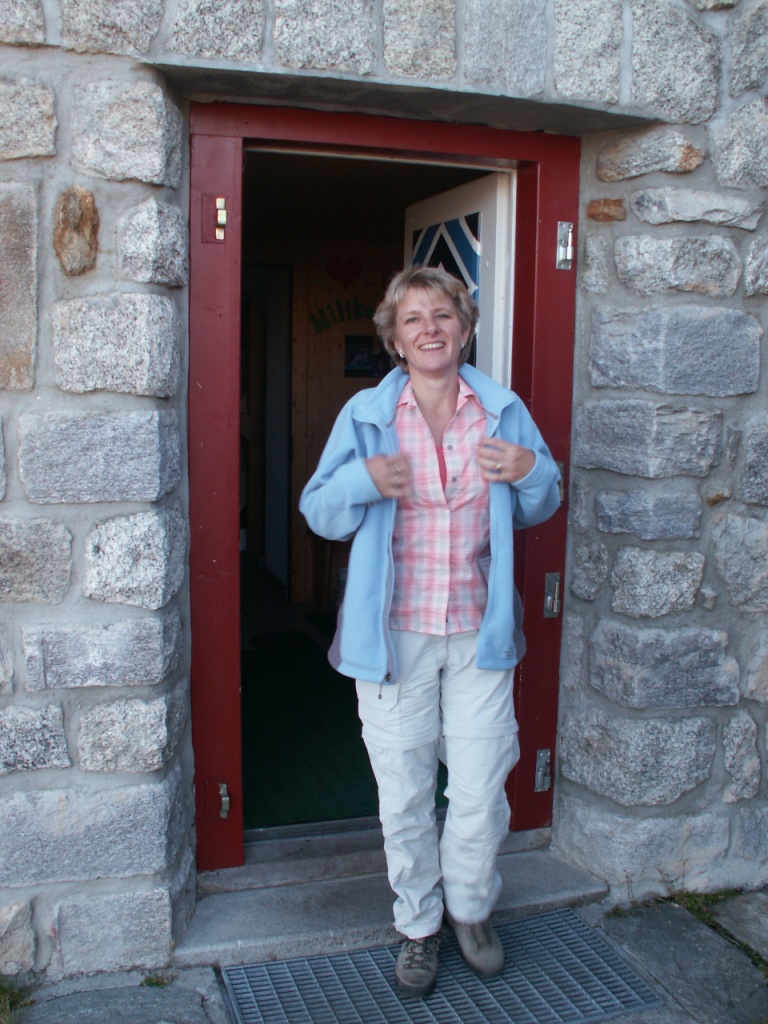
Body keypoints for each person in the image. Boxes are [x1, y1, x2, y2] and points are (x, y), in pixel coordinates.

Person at [299, 265, 561, 998]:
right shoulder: (366, 417)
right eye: (413, 319)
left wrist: (529, 468)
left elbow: (543, 499)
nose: (429, 329)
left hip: (480, 634)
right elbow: (319, 511)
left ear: (465, 329)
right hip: (393, 638)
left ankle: (470, 909)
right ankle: (418, 925)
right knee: (405, 791)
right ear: (395, 339)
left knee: (479, 785)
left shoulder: (502, 411)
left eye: (443, 315)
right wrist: (362, 482)